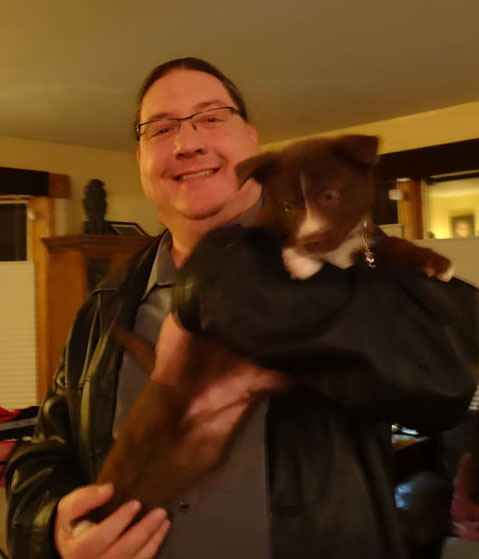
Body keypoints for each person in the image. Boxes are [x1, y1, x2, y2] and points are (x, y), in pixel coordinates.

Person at [5, 57, 479, 559]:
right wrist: (55, 529)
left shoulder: (354, 256)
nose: (186, 143)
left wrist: (229, 289)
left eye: (211, 117)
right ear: (141, 159)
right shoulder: (104, 306)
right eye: (160, 128)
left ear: (251, 139)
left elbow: (448, 378)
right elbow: (44, 453)